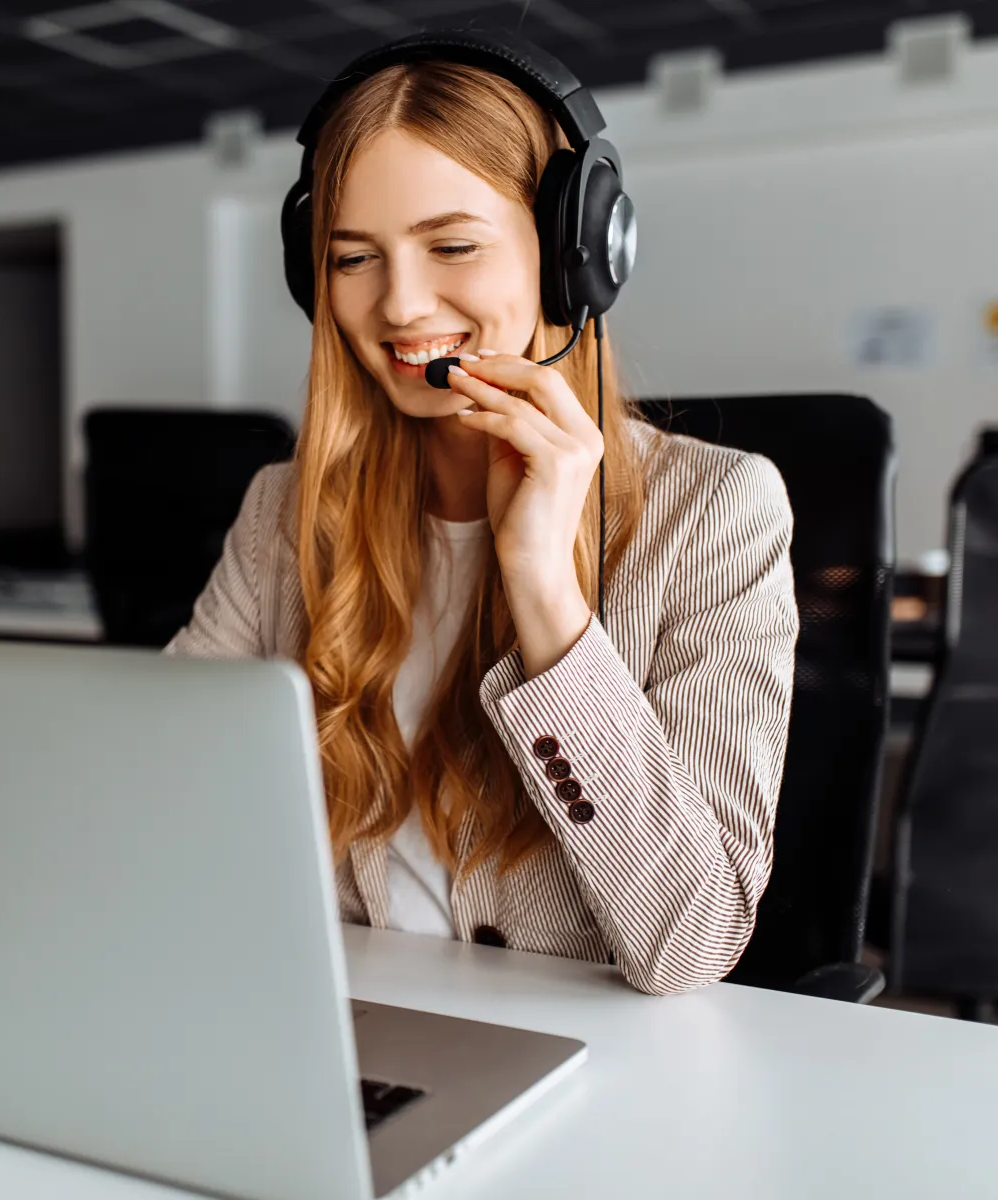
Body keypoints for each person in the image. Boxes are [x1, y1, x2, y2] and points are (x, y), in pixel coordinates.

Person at [169, 33, 798, 996]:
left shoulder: (715, 512)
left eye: (452, 245)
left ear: (573, 254)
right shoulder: (286, 511)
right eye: (352, 258)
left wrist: (545, 589)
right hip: (334, 1033)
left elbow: (693, 943)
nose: (399, 303)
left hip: (584, 1065)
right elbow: (156, 792)